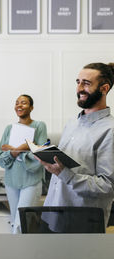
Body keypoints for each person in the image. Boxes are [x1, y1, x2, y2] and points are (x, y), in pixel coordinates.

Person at [38, 63, 114, 231]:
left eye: (86, 83)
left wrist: (66, 174)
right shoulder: (73, 123)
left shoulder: (110, 130)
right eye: (78, 82)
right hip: (52, 212)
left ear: (104, 88)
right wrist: (47, 157)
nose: (79, 88)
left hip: (81, 222)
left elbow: (107, 186)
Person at [0, 94, 47, 233]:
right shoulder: (9, 128)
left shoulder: (39, 126)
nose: (19, 105)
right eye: (17, 103)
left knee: (22, 223)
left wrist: (13, 149)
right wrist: (24, 147)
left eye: (23, 103)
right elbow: (1, 157)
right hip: (11, 180)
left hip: (31, 180)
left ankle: (19, 253)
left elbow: (40, 154)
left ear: (31, 107)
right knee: (15, 221)